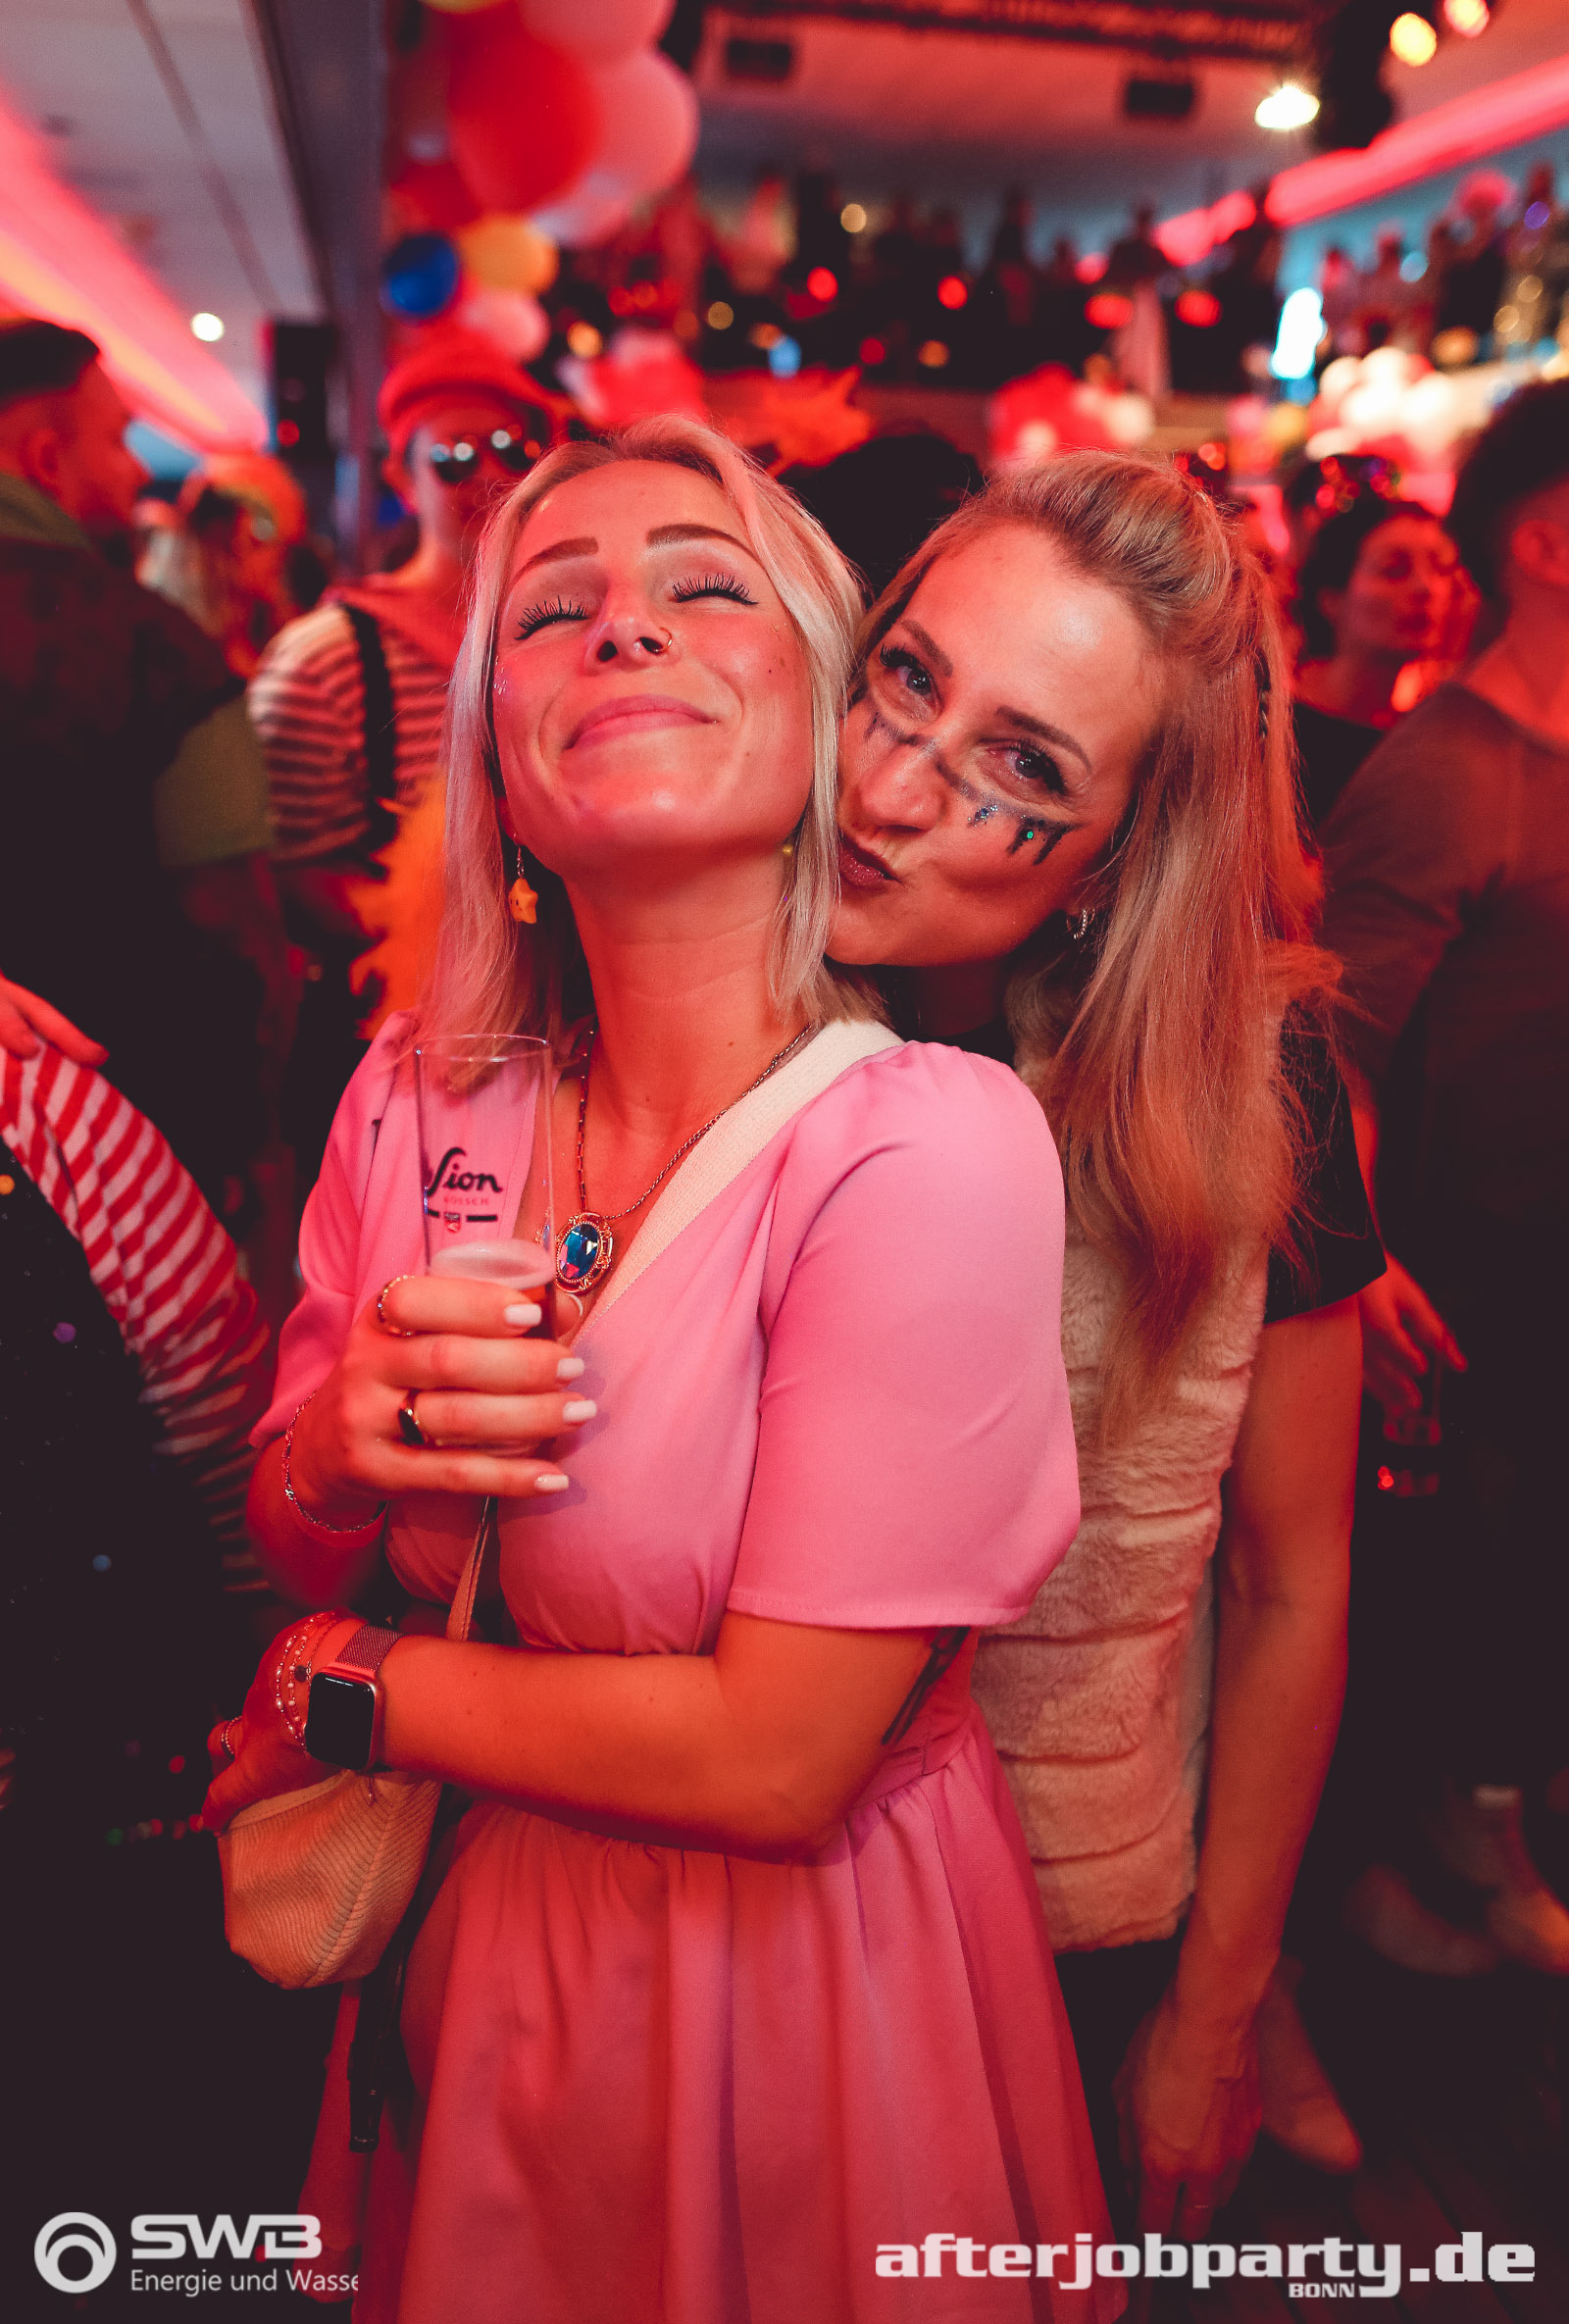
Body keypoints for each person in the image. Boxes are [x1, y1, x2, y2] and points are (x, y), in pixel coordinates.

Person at [205, 417, 1116, 2320]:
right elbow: (296, 1534)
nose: (623, 625)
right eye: (550, 611)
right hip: (469, 1958)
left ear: (826, 729)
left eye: (707, 588)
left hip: (796, 1992)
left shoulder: (918, 1143)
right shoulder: (413, 1096)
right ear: (498, 772)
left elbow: (779, 1763)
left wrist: (341, 1685)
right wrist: (337, 1462)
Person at [826, 451, 1384, 2218]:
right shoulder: (692, 993)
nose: (891, 789)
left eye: (1024, 766)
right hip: (706, 1921)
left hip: (1056, 1919)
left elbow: (1291, 1583)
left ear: (1108, 862)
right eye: (906, 676)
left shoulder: (1249, 1090)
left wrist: (1217, 2013)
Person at [1319, 379, 1569, 1977]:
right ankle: (1437, 1838)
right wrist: (1358, 1258)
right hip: (1474, 1267)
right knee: (1468, 1582)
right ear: (1544, 543)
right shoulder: (1448, 770)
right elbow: (1331, 1045)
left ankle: (1492, 1808)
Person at [250, 328, 564, 1189]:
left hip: (559, 1042)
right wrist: (454, 927)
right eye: (453, 457)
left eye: (511, 450)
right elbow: (280, 877)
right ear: (401, 475)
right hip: (391, 1051)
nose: (487, 476)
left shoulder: (564, 640)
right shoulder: (327, 657)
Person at [0, 319, 289, 1221]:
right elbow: (233, 928)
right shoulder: (153, 650)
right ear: (45, 460)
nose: (135, 472)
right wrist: (255, 1140)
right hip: (116, 1144)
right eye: (119, 441)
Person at [1291, 495, 1465, 831]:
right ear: (1331, 598)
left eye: (1441, 568)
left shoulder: (1421, 732)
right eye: (1394, 570)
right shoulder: (1279, 730)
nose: (1426, 588)